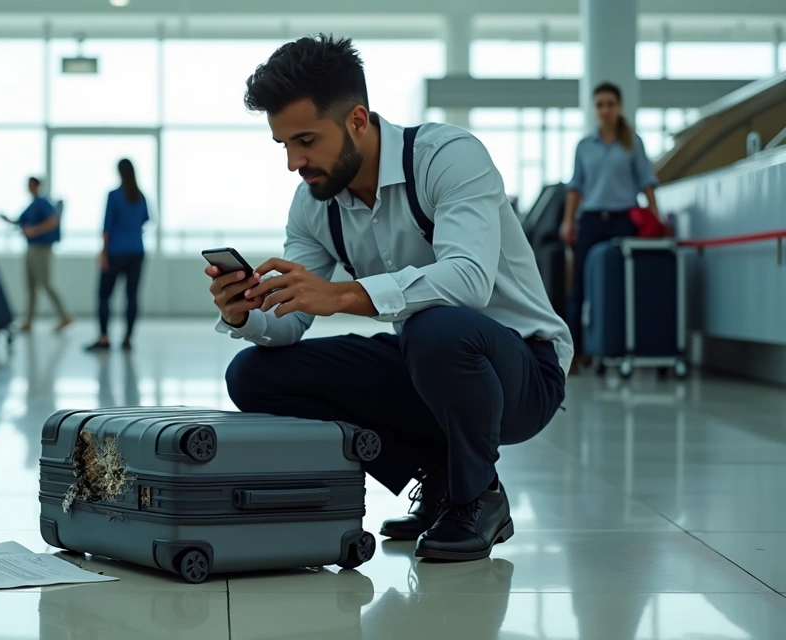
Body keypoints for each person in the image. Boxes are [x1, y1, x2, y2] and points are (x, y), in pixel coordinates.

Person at [206, 35, 571, 562]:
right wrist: (247, 313)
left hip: (523, 372)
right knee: (253, 374)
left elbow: (469, 280)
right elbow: (293, 319)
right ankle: (439, 478)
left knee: (436, 328)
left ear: (357, 120)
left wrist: (341, 295)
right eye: (284, 145)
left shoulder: (447, 157)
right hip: (431, 366)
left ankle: (478, 496)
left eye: (305, 140)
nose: (294, 162)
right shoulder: (315, 204)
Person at [560, 82, 661, 371]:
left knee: (623, 285)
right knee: (580, 287)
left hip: (623, 220)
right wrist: (569, 221)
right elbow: (576, 186)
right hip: (591, 219)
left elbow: (646, 182)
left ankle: (622, 347)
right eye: (600, 104)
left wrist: (656, 219)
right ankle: (576, 354)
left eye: (610, 104)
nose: (605, 110)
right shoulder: (584, 146)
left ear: (619, 107)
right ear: (595, 109)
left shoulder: (633, 143)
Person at [87, 159, 150, 351]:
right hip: (136, 251)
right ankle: (128, 338)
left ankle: (104, 337)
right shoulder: (140, 196)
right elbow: (145, 221)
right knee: (131, 296)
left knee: (104, 295)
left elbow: (107, 228)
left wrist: (103, 253)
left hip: (115, 252)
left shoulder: (114, 196)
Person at [1, 177, 73, 333]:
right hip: (31, 248)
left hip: (42, 248)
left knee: (45, 283)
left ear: (36, 186)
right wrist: (7, 220)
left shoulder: (42, 202)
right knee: (30, 285)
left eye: (30, 185)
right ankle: (28, 321)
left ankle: (64, 316)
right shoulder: (32, 205)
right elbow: (20, 222)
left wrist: (34, 231)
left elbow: (52, 222)